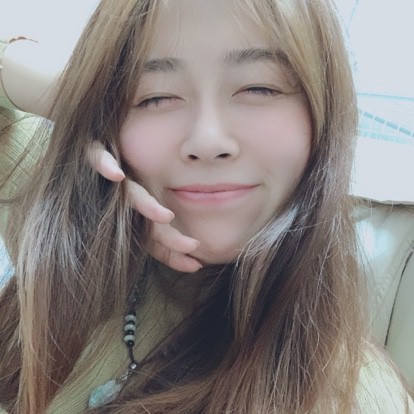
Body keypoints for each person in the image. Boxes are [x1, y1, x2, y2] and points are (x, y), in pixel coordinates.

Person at [0, 0, 412, 413]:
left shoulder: (354, 397)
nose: (207, 140)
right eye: (156, 97)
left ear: (322, 112)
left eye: (259, 88)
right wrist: (80, 109)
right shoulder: (66, 216)